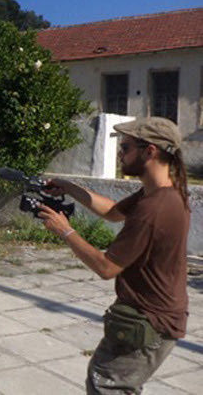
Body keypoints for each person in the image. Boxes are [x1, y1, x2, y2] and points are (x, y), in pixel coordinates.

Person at [38, 116, 189, 394]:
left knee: (107, 385)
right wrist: (69, 187)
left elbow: (107, 267)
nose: (120, 154)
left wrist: (65, 231)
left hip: (151, 320)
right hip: (156, 312)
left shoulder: (154, 208)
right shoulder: (159, 193)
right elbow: (112, 212)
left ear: (150, 151)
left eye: (126, 148)